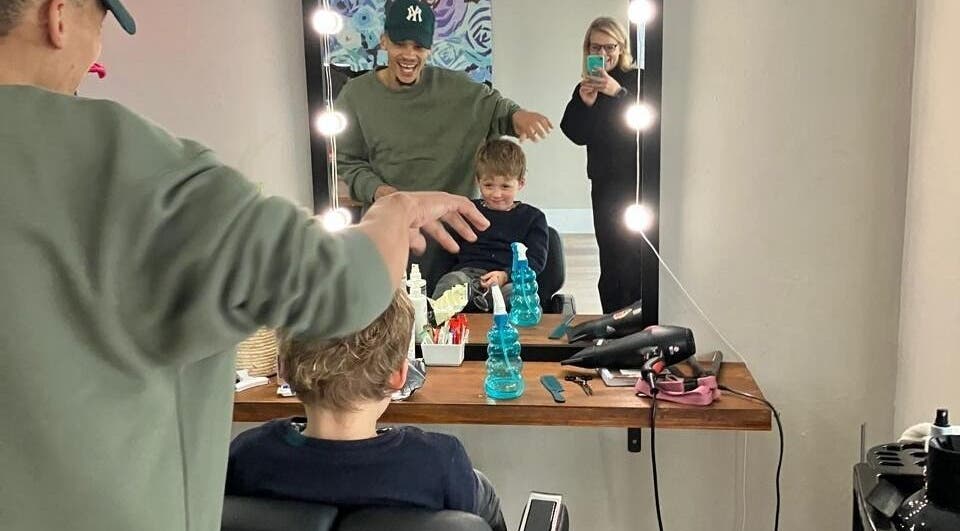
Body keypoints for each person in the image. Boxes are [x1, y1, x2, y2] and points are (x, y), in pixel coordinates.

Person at [0, 2, 490, 531]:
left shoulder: (252, 458)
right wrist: (395, 211)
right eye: (99, 28)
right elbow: (345, 287)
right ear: (58, 17)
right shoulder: (120, 165)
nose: (97, 53)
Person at [227, 290, 507, 531]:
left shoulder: (248, 456)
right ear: (399, 375)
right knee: (483, 491)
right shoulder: (440, 463)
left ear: (283, 370)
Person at [336, 0, 553, 290]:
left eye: (419, 46)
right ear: (384, 40)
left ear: (430, 48)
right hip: (392, 232)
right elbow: (348, 162)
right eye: (401, 44)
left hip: (455, 244)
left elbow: (496, 108)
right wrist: (389, 195)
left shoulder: (457, 89)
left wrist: (518, 116)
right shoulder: (356, 96)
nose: (410, 55)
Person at [560, 17, 644, 313]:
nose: (604, 53)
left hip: (638, 184)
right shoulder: (586, 87)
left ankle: (641, 318)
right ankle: (613, 318)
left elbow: (646, 123)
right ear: (588, 49)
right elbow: (574, 133)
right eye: (597, 46)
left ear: (622, 48)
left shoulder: (636, 81)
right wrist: (584, 103)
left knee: (636, 254)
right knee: (610, 255)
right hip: (604, 184)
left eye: (610, 46)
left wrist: (617, 93)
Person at [432, 139, 548, 310]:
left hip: (508, 280)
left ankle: (518, 335)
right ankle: (433, 329)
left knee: (520, 295)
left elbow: (536, 260)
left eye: (505, 186)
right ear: (478, 181)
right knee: (452, 282)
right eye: (488, 185)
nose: (496, 194)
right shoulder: (466, 211)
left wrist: (506, 275)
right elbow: (446, 254)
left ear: (520, 183)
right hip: (467, 279)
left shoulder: (533, 218)